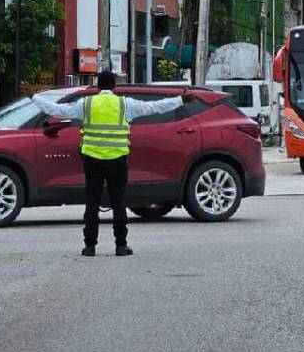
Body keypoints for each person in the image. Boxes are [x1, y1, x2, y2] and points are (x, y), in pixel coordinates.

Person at [26, 72, 194, 257]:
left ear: (98, 86)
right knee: (118, 202)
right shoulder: (125, 104)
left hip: (92, 159)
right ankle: (121, 245)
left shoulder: (87, 104)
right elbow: (155, 107)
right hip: (117, 159)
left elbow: (58, 110)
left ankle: (90, 246)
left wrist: (34, 97)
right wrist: (180, 100)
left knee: (92, 202)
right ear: (114, 86)